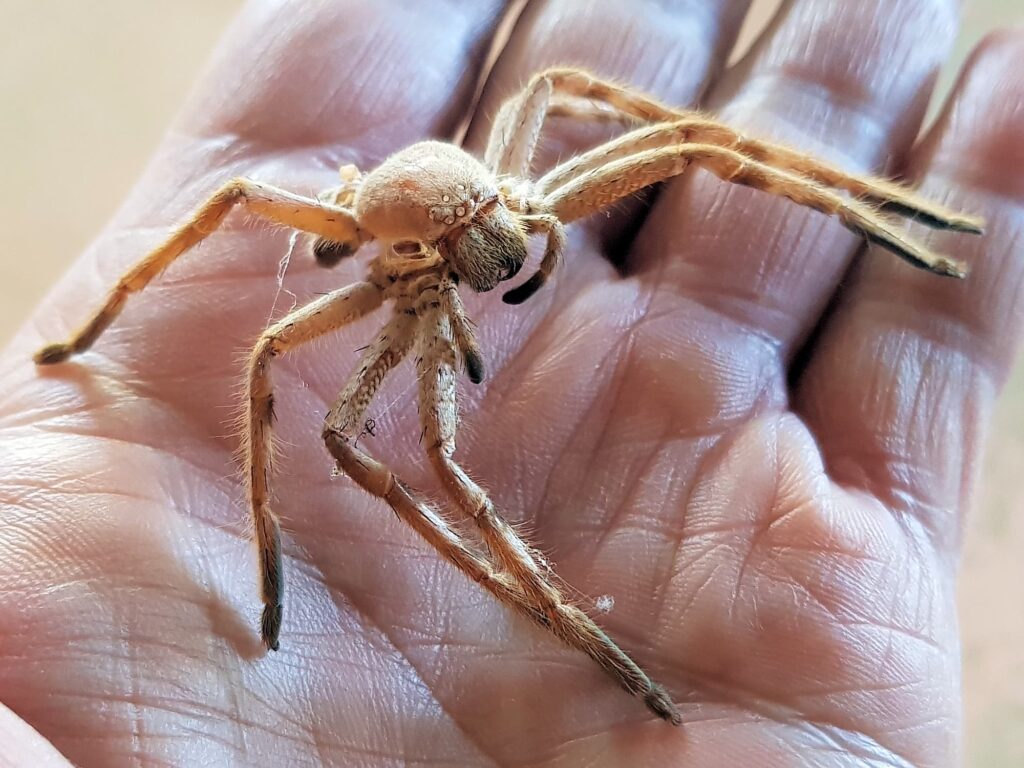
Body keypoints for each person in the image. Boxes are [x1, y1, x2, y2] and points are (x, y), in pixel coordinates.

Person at [1, 1, 1021, 765]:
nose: (500, 258)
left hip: (491, 185)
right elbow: (266, 319)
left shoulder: (520, 190)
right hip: (398, 240)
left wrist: (518, 197)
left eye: (495, 227)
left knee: (701, 142)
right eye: (469, 244)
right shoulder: (396, 278)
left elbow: (649, 123)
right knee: (415, 448)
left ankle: (894, 214)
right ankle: (551, 617)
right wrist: (260, 530)